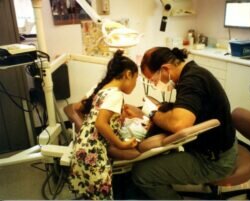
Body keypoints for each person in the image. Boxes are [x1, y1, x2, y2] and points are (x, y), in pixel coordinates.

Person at [131, 47, 237, 199]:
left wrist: (152, 113)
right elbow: (184, 107)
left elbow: (179, 124)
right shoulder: (191, 73)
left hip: (214, 161)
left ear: (165, 69)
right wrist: (160, 110)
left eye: (153, 79)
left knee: (141, 173)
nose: (154, 84)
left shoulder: (193, 81)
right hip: (217, 146)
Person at [68, 50, 139, 200]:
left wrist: (120, 116)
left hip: (81, 149)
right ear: (128, 74)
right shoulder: (116, 94)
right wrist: (122, 144)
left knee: (89, 195)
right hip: (95, 155)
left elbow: (78, 109)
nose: (135, 85)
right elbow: (101, 124)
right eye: (136, 79)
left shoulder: (99, 88)